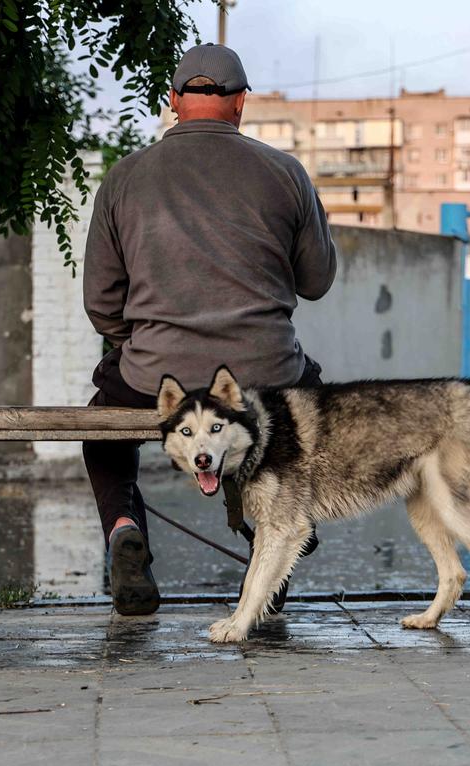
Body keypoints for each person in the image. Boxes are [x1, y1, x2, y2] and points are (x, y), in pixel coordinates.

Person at [82, 43, 337, 615]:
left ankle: (124, 527)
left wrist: (143, 343)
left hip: (155, 373)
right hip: (265, 371)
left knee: (102, 436)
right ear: (241, 103)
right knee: (304, 410)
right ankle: (279, 537)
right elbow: (317, 281)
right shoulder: (286, 173)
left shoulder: (124, 178)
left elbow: (101, 303)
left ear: (173, 102)